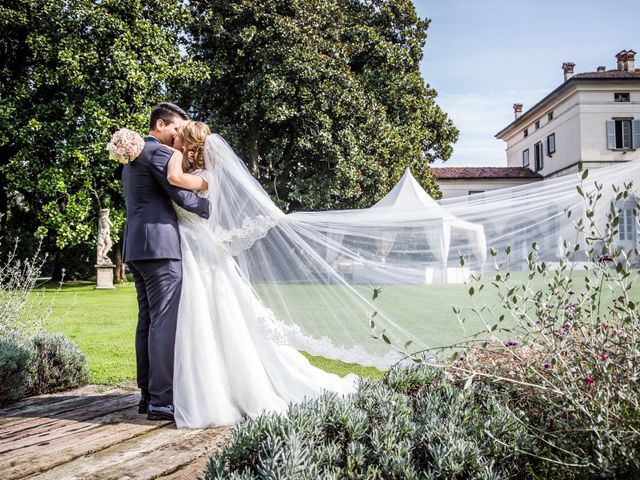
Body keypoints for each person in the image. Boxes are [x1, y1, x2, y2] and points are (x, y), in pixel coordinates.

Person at [165, 121, 357, 428]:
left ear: (189, 145)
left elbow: (174, 177)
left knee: (213, 311)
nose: (177, 143)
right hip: (192, 244)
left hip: (199, 246)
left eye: (181, 140)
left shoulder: (205, 178)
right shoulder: (200, 173)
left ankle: (229, 390)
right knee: (205, 314)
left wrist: (172, 151)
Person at [121, 104, 211, 421]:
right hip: (160, 250)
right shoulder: (158, 153)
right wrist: (218, 208)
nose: (179, 137)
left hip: (135, 249)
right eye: (176, 129)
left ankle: (147, 396)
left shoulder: (131, 157)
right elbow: (183, 197)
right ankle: (162, 400)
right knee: (163, 322)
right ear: (161, 124)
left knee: (146, 322)